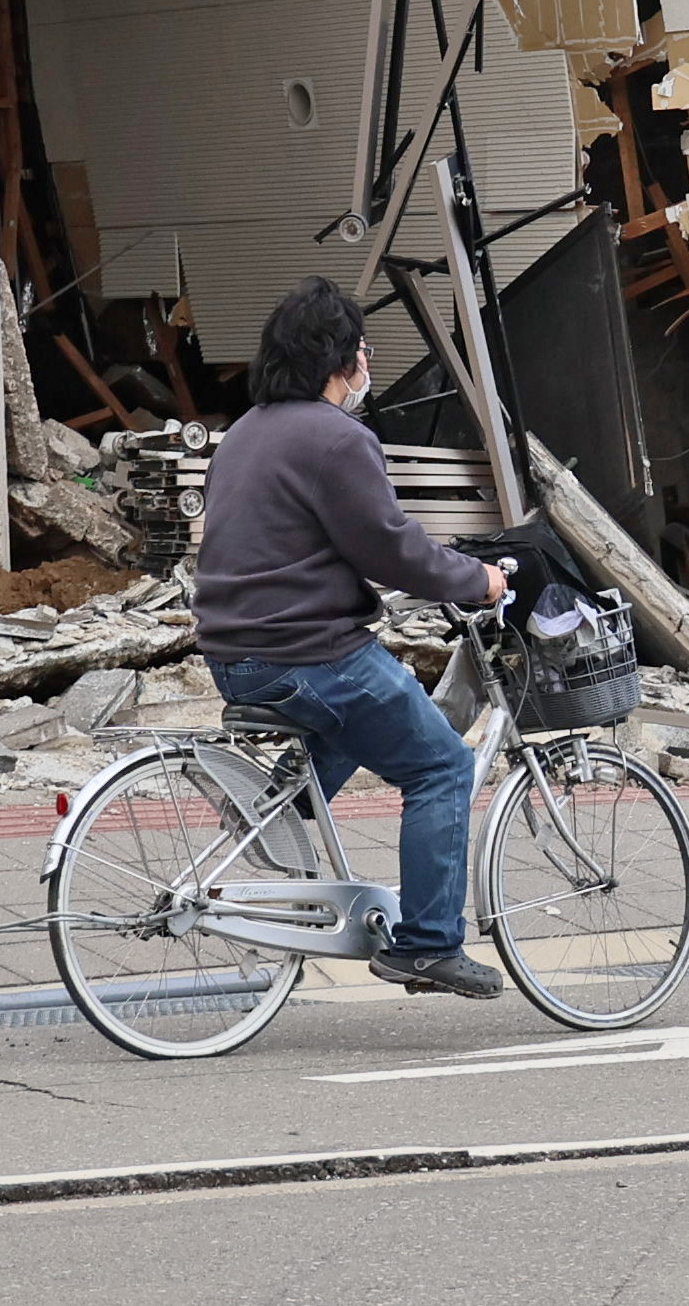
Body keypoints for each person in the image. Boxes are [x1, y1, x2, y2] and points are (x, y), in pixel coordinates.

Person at [194, 275, 515, 999]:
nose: (368, 362)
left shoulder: (245, 432)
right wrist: (478, 581)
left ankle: (277, 810)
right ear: (340, 360)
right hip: (304, 652)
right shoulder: (338, 438)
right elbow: (391, 549)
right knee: (441, 768)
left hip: (234, 654)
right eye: (363, 347)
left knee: (363, 709)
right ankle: (429, 946)